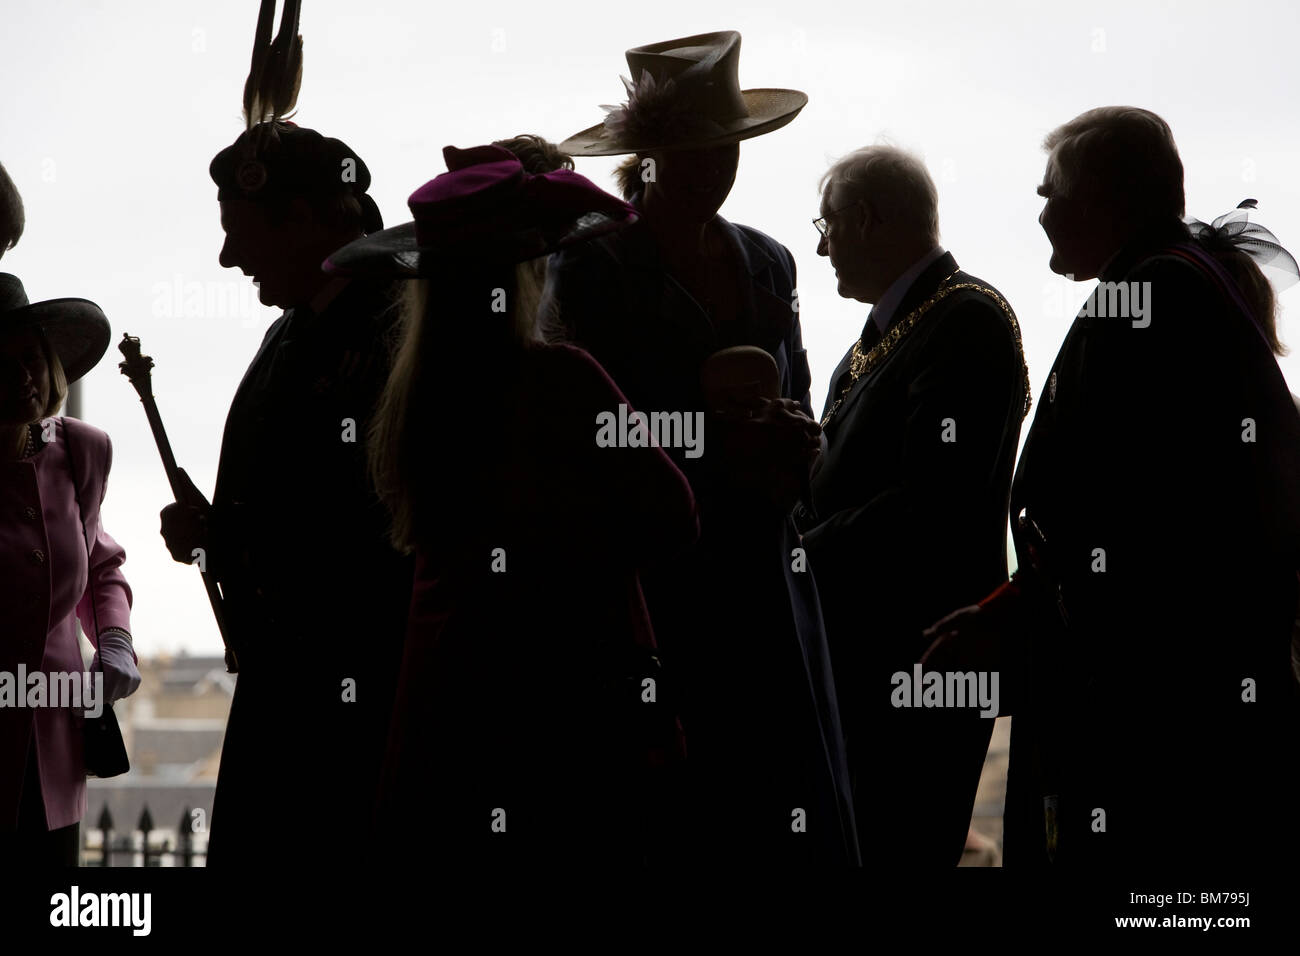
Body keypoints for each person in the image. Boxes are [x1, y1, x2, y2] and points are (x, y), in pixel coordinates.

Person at [924, 106, 1300, 868]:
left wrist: (1017, 615)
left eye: (1049, 192)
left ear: (1102, 198)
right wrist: (1011, 605)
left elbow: (1124, 515)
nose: (1039, 212)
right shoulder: (1178, 282)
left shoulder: (1154, 297)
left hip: (1151, 704)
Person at [323, 143, 698, 863]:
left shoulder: (415, 401)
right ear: (524, 270)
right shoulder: (564, 378)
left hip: (445, 703)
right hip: (571, 702)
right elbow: (673, 514)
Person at [542, 30, 859, 864]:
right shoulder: (588, 267)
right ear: (648, 156)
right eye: (692, 150)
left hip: (767, 576)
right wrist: (709, 443)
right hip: (659, 582)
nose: (713, 167)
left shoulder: (771, 261)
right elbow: (581, 435)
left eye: (725, 148)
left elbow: (797, 393)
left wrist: (800, 439)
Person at [158, 118, 413, 865]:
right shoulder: (295, 329)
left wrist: (233, 541)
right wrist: (219, 536)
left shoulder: (397, 339)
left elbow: (366, 530)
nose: (228, 256)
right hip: (288, 687)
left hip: (349, 703)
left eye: (241, 231)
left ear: (302, 219)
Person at [796, 145, 1031, 866]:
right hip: (866, 663)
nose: (819, 243)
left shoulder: (968, 320)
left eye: (827, 223)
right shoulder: (871, 344)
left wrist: (800, 556)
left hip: (923, 664)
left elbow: (934, 506)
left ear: (864, 219)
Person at [0, 273, 140, 865]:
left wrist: (114, 643)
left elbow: (100, 563)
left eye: (30, 357)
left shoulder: (82, 450)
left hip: (56, 737)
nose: (22, 377)